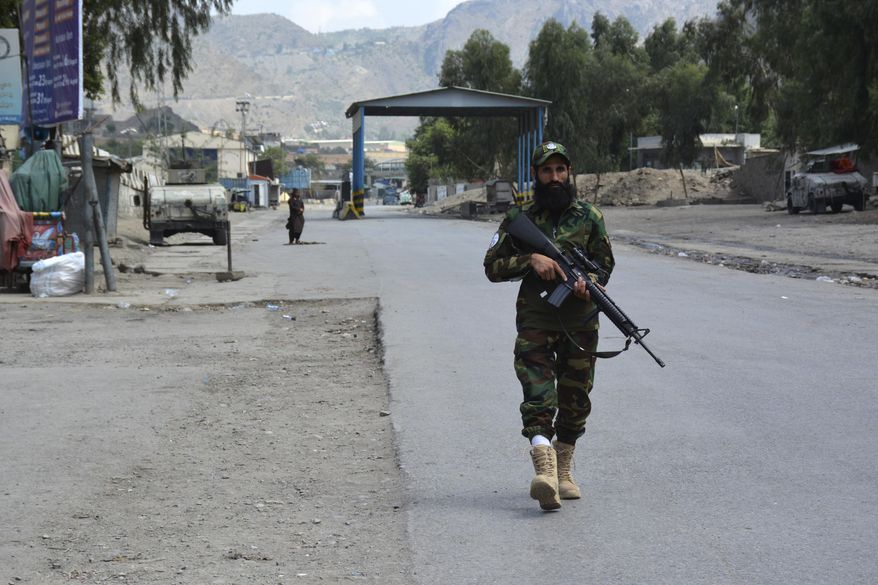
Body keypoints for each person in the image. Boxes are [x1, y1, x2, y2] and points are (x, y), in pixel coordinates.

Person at [483, 141, 615, 511]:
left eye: (560, 170)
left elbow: (604, 266)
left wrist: (587, 281)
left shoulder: (590, 217)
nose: (554, 178)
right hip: (536, 320)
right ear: (536, 175)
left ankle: (564, 468)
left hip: (581, 322)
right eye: (547, 171)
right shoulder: (518, 219)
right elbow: (492, 267)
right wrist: (531, 260)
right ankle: (544, 470)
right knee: (538, 395)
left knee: (576, 401)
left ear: (569, 173)